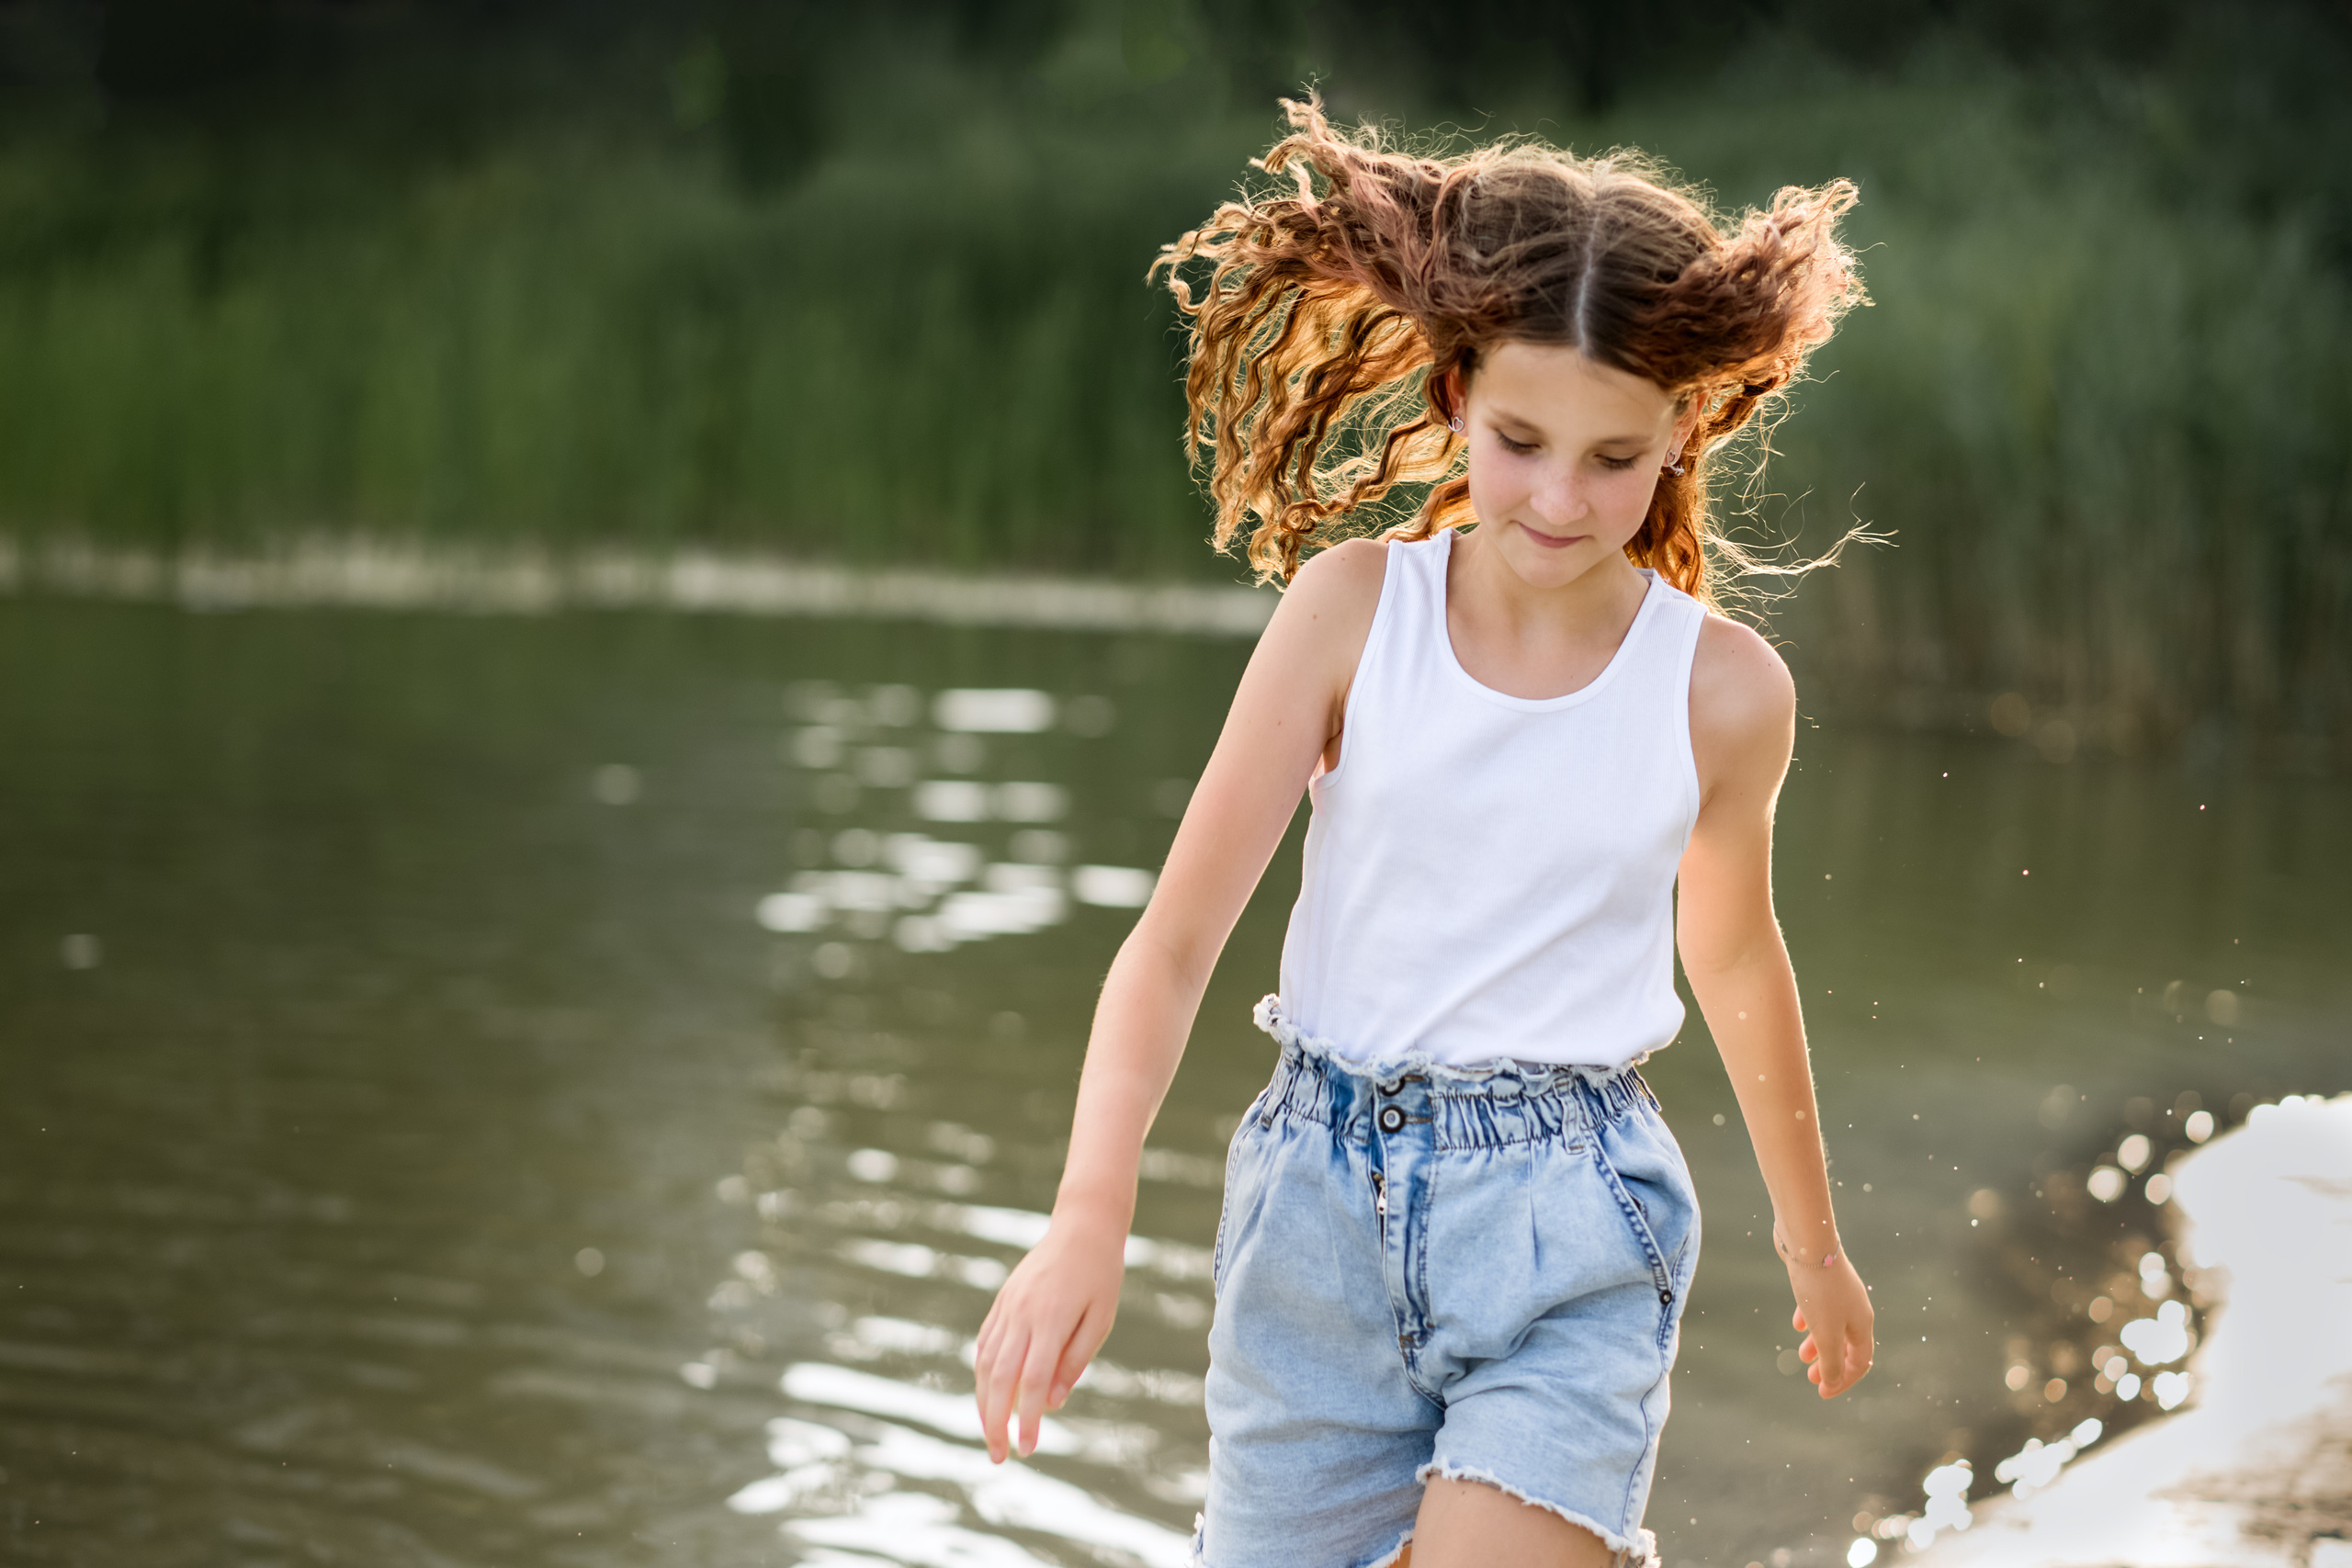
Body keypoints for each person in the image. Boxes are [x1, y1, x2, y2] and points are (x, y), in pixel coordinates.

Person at [975, 96, 1876, 1568]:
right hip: (1311, 1231)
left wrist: (1814, 1245)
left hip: (1570, 1231)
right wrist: (1089, 1211)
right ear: (1456, 396)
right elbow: (1175, 942)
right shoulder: (1349, 614)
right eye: (1523, 440)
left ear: (1684, 430)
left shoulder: (1720, 691)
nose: (1561, 499)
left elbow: (1735, 959)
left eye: (1613, 457)